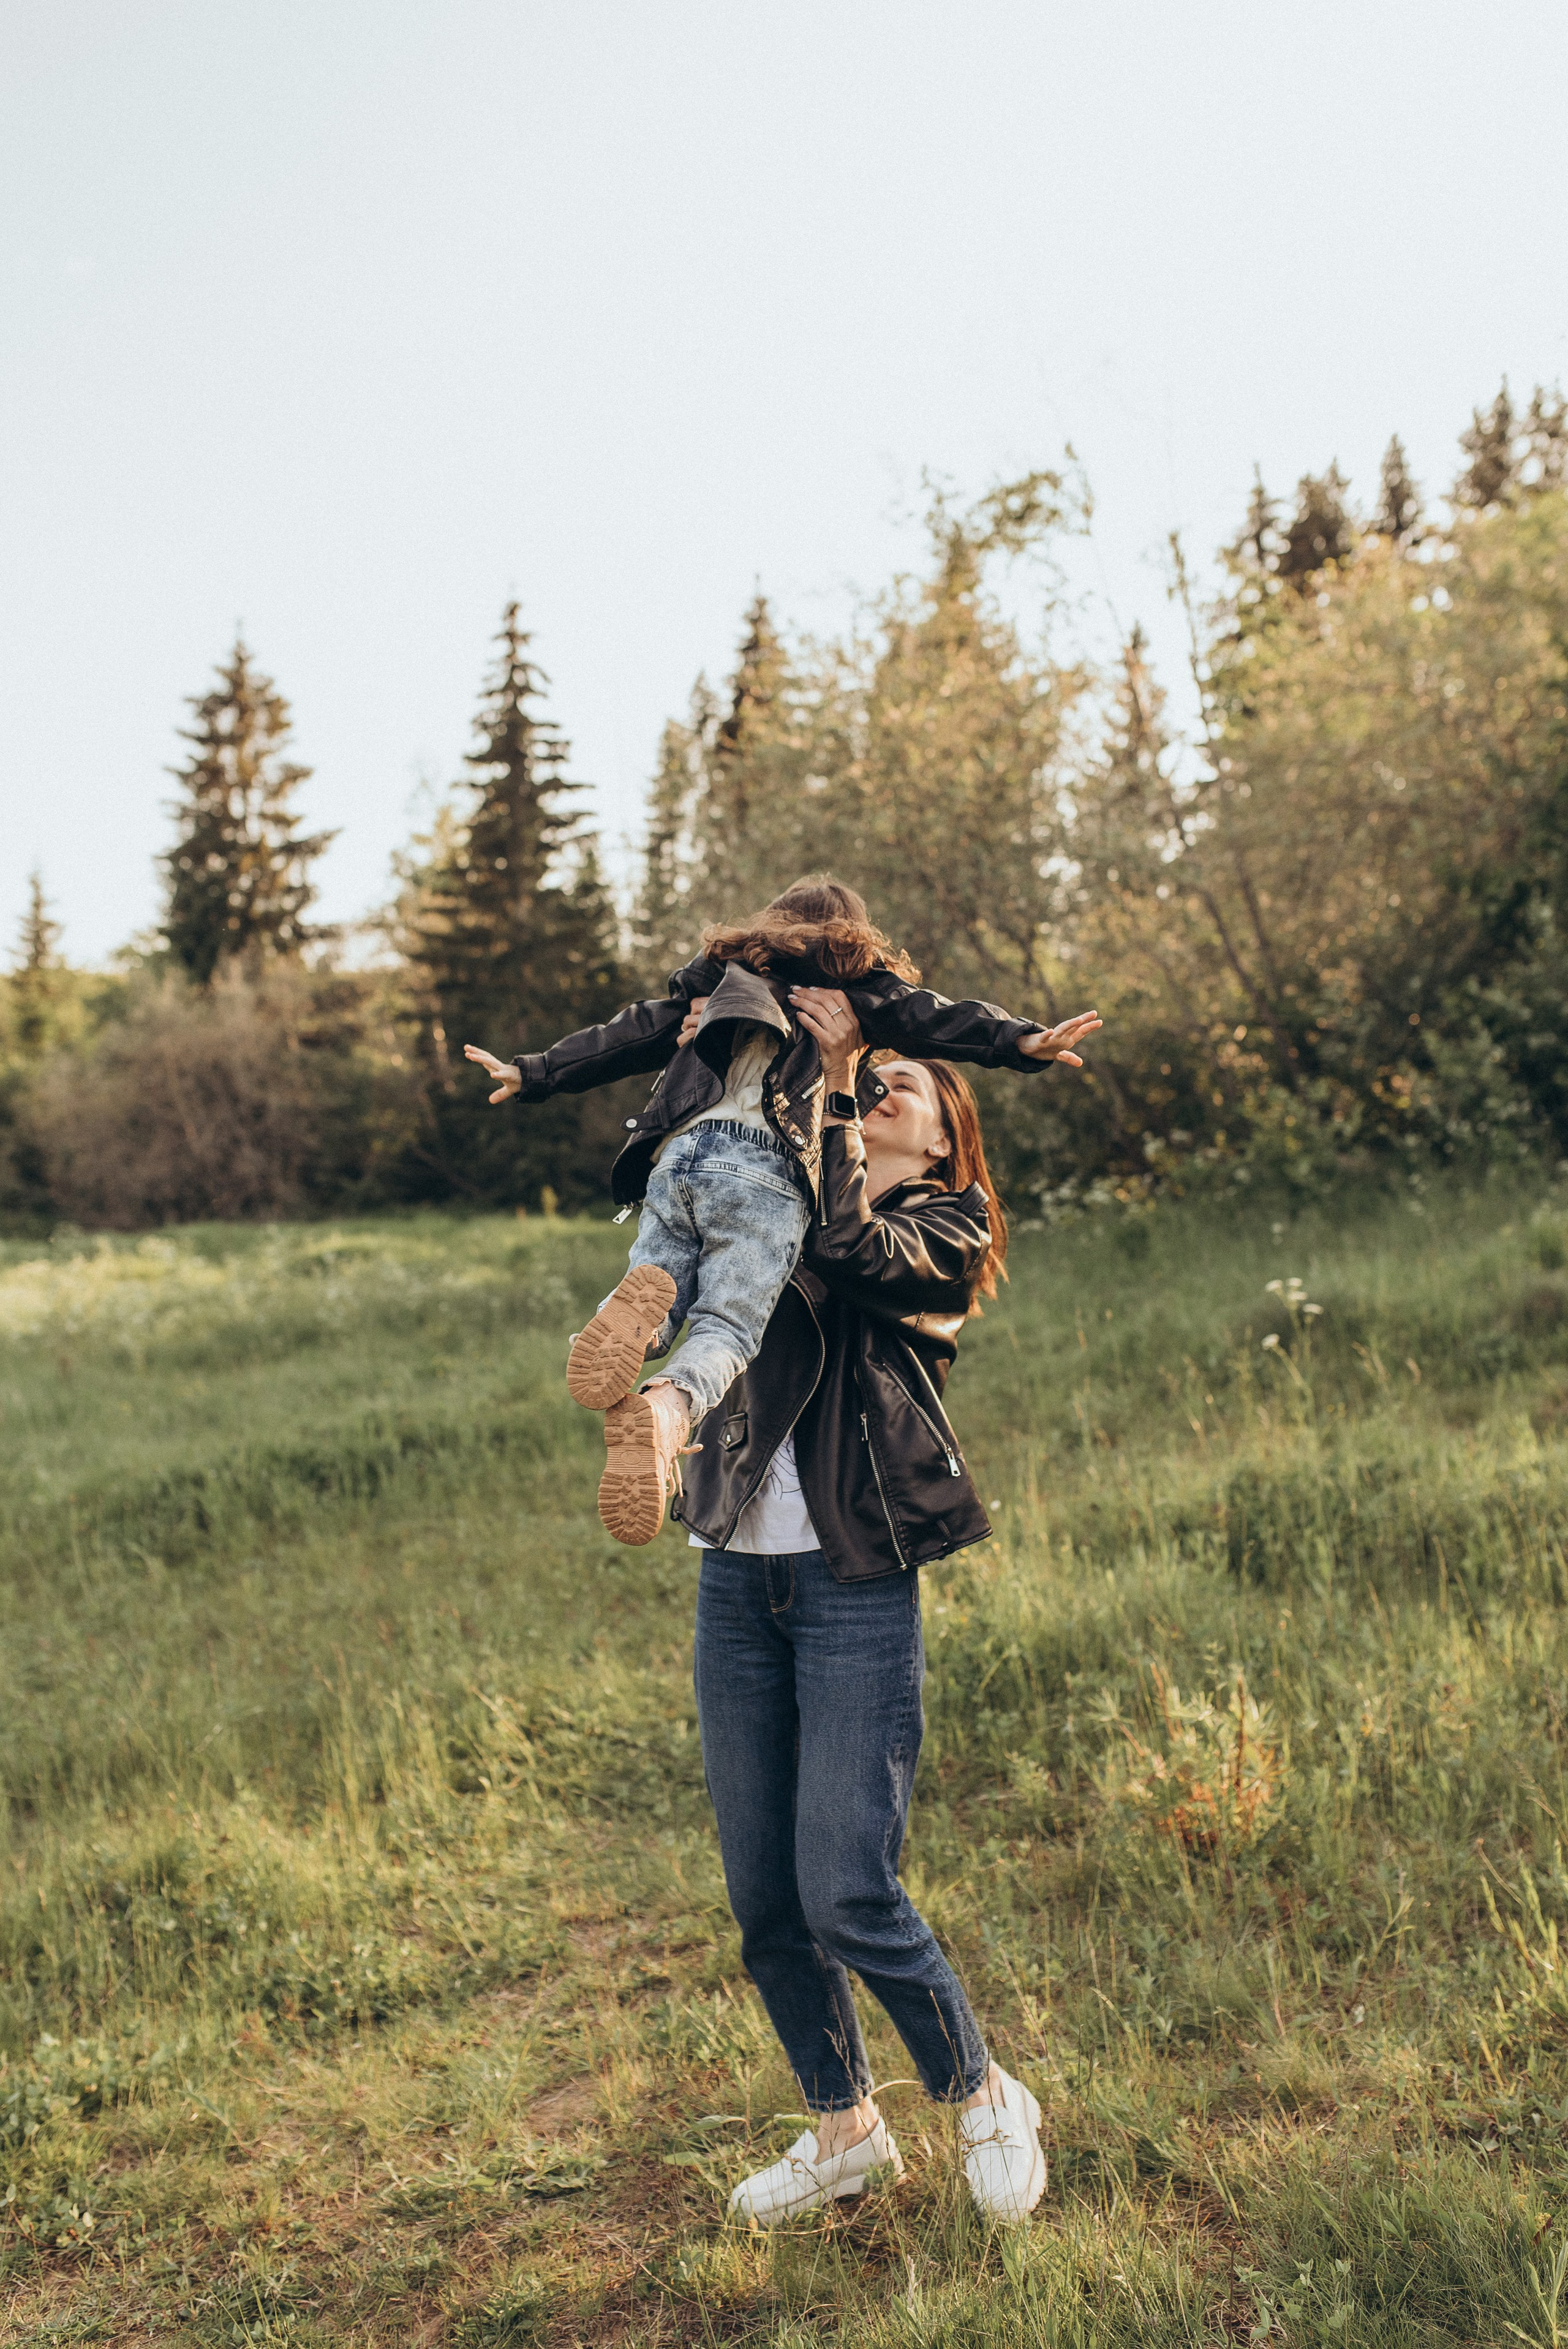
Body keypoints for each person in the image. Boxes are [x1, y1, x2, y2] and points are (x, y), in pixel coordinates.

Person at [672, 982, 1051, 2226]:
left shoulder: (949, 1220)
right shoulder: (781, 1184)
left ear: (942, 1133)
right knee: (765, 1898)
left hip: (851, 1586)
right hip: (737, 1574)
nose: (876, 1081)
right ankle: (843, 2132)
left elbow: (848, 1250)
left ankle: (984, 2091)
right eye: (864, 1076)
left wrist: (835, 1096)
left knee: (847, 1881)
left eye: (902, 1082)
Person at [465, 876, 1098, 1545]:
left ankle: (629, 1339)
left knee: (657, 1280)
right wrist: (1022, 1043)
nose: (879, 1084)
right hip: (760, 1164)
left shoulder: (722, 977)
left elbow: (630, 1032)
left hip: (678, 1149)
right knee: (729, 1325)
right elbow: (939, 1018)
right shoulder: (857, 989)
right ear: (859, 940)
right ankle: (672, 1406)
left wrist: (536, 1072)